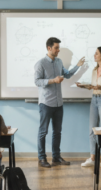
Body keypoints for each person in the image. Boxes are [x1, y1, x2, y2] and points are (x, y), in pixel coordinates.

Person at [34, 37, 85, 168]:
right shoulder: (40, 64)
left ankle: (56, 158)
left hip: (58, 104)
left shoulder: (59, 62)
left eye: (59, 48)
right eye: (56, 48)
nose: (58, 50)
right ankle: (42, 158)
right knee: (43, 132)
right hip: (46, 103)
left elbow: (67, 75)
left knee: (57, 132)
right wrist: (53, 80)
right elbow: (37, 81)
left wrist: (78, 66)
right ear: (49, 48)